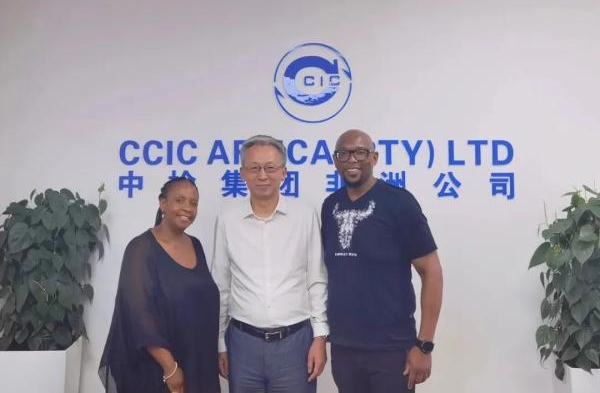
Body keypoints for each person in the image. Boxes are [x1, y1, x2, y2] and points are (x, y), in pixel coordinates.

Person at [321, 129, 443, 393]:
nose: (352, 159)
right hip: (344, 349)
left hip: (392, 349)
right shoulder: (330, 206)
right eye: (344, 154)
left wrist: (424, 345)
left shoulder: (399, 203)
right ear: (335, 160)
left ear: (374, 158)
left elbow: (431, 271)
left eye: (360, 152)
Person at [211, 135, 328, 393]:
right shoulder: (228, 217)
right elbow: (221, 283)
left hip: (295, 342)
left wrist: (320, 336)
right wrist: (220, 342)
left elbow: (316, 279)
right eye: (254, 168)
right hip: (243, 343)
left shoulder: (304, 215)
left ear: (284, 172)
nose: (262, 175)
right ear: (242, 173)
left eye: (270, 167)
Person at [99, 177, 220, 393]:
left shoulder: (196, 245)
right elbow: (139, 316)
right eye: (180, 200)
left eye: (193, 203)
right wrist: (170, 368)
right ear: (163, 203)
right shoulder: (140, 248)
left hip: (199, 364)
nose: (187, 208)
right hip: (160, 370)